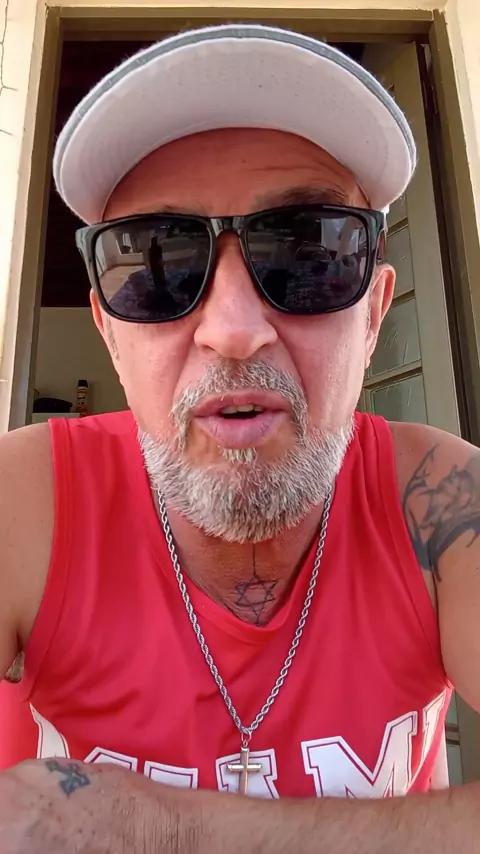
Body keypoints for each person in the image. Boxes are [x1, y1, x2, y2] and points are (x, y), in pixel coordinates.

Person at [0, 22, 479, 853]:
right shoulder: (24, 508)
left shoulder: (439, 503)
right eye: (160, 261)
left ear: (373, 316)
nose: (232, 330)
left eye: (308, 251)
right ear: (110, 333)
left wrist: (171, 828)